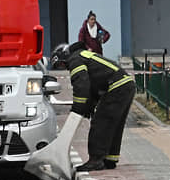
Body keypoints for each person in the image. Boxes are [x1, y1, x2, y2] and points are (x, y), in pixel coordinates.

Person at [51, 41, 136, 172]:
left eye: (62, 63)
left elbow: (82, 86)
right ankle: (110, 159)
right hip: (125, 85)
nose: (64, 67)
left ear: (65, 56)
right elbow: (94, 85)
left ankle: (95, 160)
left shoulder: (75, 59)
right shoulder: (82, 56)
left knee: (100, 122)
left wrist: (78, 108)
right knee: (113, 124)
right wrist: (90, 106)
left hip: (117, 86)